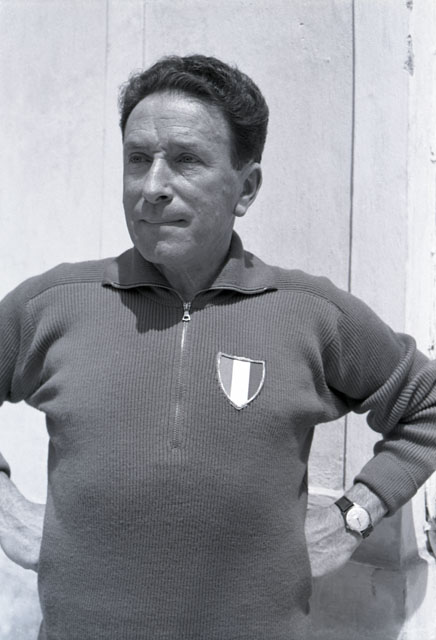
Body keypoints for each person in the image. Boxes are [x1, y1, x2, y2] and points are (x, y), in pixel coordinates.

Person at [0, 54, 435, 640]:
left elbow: (426, 406)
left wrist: (357, 512)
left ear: (245, 188)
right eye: (138, 159)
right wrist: (5, 509)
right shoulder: (53, 305)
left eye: (186, 160)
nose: (153, 187)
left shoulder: (312, 314)